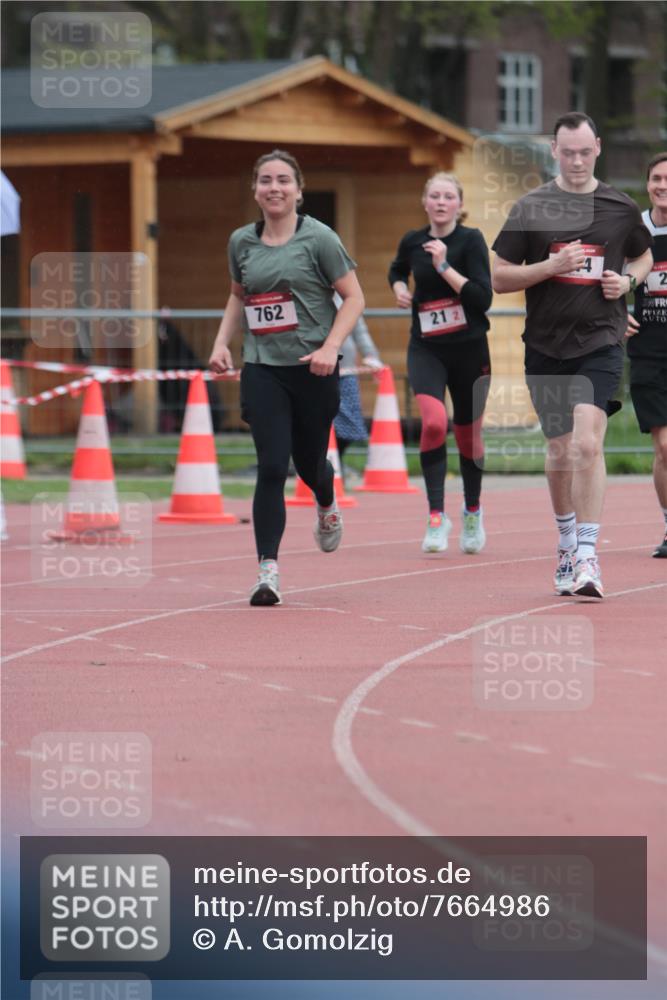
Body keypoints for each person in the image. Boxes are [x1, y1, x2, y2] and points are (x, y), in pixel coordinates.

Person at [492, 112, 653, 598]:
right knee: (561, 450)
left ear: (598, 148)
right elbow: (499, 276)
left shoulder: (620, 208)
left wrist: (627, 281)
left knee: (587, 445)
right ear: (554, 151)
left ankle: (587, 556)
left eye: (585, 151)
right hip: (544, 346)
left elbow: (644, 255)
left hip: (601, 342)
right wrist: (550, 266)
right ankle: (565, 542)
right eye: (568, 152)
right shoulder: (531, 207)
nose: (577, 161)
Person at [209, 150, 364, 606]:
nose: (273, 188)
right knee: (273, 466)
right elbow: (239, 297)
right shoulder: (241, 242)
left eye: (282, 180)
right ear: (255, 190)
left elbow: (354, 298)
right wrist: (221, 343)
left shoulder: (320, 239)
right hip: (262, 368)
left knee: (310, 462)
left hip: (313, 368)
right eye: (264, 181)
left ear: (298, 189)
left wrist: (331, 348)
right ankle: (267, 572)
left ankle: (326, 496)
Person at [389, 172, 493, 554]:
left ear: (459, 205)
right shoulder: (413, 241)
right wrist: (400, 288)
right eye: (434, 195)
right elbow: (397, 268)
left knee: (468, 438)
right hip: (427, 348)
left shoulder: (471, 240)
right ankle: (436, 516)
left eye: (449, 196)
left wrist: (445, 266)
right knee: (433, 422)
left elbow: (483, 298)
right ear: (425, 201)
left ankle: (472, 510)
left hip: (469, 350)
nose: (441, 201)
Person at [625, 152, 667, 558]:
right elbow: (601, 278)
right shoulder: (633, 228)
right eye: (657, 178)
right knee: (665, 448)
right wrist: (617, 313)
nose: (663, 185)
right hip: (649, 352)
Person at [333, 294, 383, 479]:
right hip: (314, 371)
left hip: (346, 370)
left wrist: (371, 356)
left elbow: (359, 330)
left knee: (350, 424)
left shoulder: (345, 298)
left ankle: (335, 462)